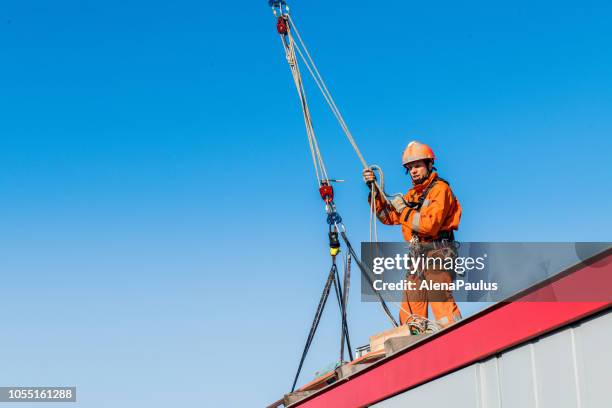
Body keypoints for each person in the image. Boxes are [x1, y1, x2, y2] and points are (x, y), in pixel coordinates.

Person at [363, 141, 462, 328]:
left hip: (438, 253)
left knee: (440, 301)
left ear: (430, 164)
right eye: (410, 168)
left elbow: (429, 225)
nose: (413, 171)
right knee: (411, 310)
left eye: (417, 166)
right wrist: (374, 191)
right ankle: (416, 344)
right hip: (418, 257)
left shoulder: (440, 190)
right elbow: (388, 217)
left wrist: (403, 209)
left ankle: (456, 338)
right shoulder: (412, 195)